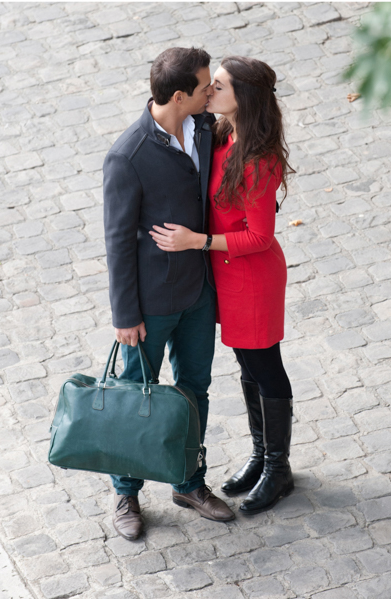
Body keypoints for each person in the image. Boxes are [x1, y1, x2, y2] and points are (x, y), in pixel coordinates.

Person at [150, 55, 295, 515]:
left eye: (219, 86)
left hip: (252, 276)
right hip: (226, 276)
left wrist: (198, 240)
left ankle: (278, 468)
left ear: (243, 97)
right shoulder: (221, 132)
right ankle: (260, 456)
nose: (209, 92)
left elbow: (259, 235)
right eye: (210, 85)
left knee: (265, 365)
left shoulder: (258, 159)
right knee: (248, 366)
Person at [102, 46, 235, 541]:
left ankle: (188, 482)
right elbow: (116, 241)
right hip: (149, 306)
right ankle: (125, 492)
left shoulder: (202, 126)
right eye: (205, 87)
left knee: (193, 391)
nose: (211, 92)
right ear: (180, 96)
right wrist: (124, 314)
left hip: (198, 291)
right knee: (133, 398)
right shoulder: (127, 156)